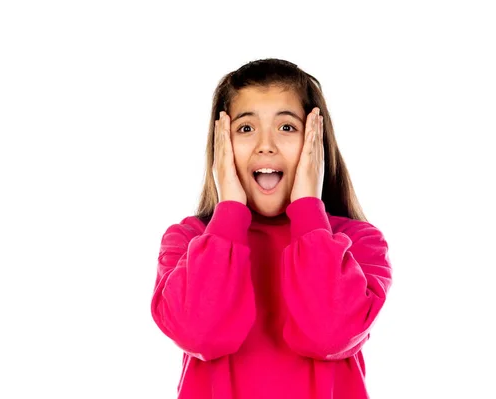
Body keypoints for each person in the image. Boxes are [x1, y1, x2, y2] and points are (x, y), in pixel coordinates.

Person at [150, 58, 393, 399]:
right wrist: (229, 210)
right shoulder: (189, 241)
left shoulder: (359, 242)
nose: (266, 145)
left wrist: (309, 210)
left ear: (316, 143)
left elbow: (328, 335)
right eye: (246, 129)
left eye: (287, 128)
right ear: (221, 146)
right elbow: (201, 335)